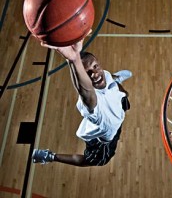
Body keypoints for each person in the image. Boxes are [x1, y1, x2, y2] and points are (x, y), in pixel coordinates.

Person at [32, 35, 132, 166]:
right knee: (95, 161)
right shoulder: (94, 104)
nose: (95, 74)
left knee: (123, 94)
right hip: (104, 137)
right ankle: (49, 156)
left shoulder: (104, 75)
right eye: (88, 73)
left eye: (96, 66)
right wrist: (73, 60)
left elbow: (100, 75)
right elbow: (86, 92)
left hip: (115, 109)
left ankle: (116, 79)